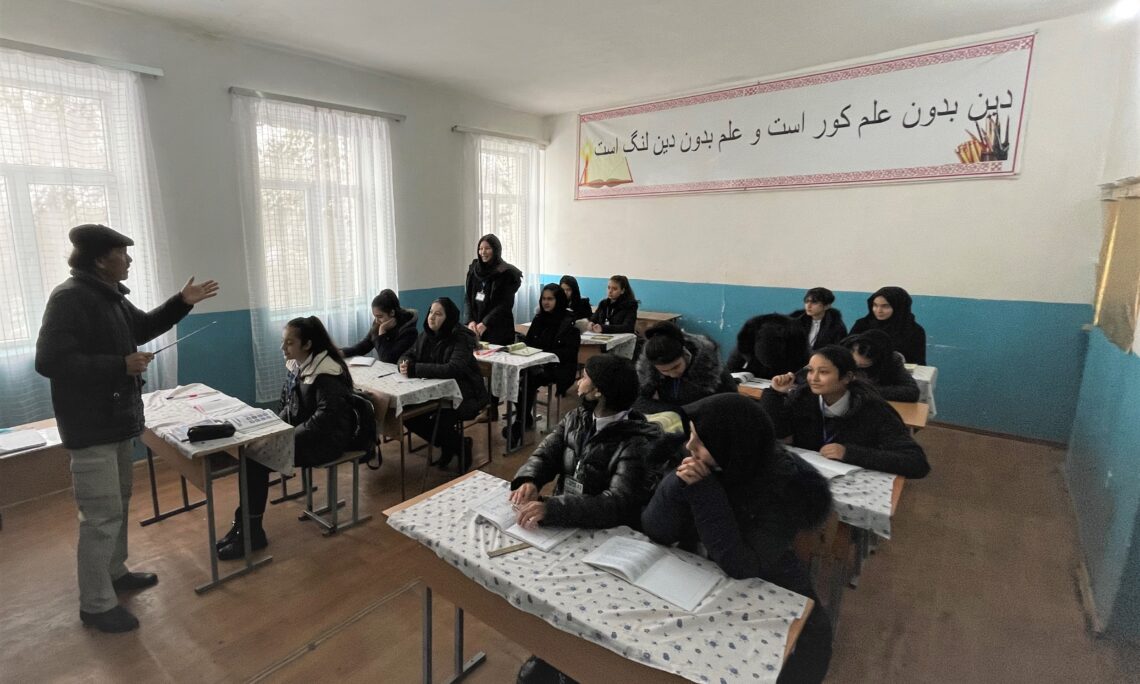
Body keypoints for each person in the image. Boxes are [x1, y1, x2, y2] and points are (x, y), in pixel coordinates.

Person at [35, 223, 219, 633]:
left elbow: (143, 327)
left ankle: (115, 573)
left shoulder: (110, 296)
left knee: (116, 504)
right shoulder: (69, 298)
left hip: (116, 421)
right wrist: (118, 365)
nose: (130, 260)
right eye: (123, 253)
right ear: (101, 259)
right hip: (91, 426)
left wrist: (182, 302)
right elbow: (49, 361)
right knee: (99, 516)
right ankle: (96, 605)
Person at [641, 393, 834, 684]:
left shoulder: (786, 485)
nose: (689, 447)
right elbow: (656, 530)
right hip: (698, 578)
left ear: (732, 446)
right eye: (692, 435)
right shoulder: (708, 463)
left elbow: (742, 565)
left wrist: (705, 493)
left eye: (701, 442)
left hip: (768, 582)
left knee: (810, 636)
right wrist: (677, 483)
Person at [217, 316, 357, 561]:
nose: (283, 348)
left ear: (307, 345)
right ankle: (245, 526)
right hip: (304, 435)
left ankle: (251, 533)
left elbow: (324, 420)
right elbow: (288, 405)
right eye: (284, 342)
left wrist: (286, 437)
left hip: (328, 442)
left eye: (289, 343)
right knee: (250, 450)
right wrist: (271, 427)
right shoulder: (298, 365)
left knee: (255, 459)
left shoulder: (327, 373)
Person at [508, 354, 660, 531]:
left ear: (598, 391)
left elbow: (616, 503)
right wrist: (530, 480)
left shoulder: (637, 442)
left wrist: (554, 509)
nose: (579, 381)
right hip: (567, 517)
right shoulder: (576, 418)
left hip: (603, 531)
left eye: (586, 377)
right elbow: (546, 454)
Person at [761, 345, 930, 478]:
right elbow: (782, 434)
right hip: (809, 475)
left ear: (847, 377)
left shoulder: (873, 409)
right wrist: (775, 394)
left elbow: (916, 463)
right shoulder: (803, 397)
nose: (813, 378)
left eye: (824, 372)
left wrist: (849, 453)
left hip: (852, 479)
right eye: (811, 371)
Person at [400, 297, 489, 469]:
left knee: (441, 419)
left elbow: (453, 369)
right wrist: (403, 364)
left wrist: (415, 369)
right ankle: (453, 445)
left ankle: (460, 447)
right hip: (436, 393)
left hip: (465, 394)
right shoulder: (426, 335)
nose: (432, 317)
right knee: (409, 417)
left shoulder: (461, 338)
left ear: (448, 318)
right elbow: (408, 354)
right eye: (431, 312)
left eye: (438, 314)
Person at [504, 283, 581, 449]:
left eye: (550, 299)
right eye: (544, 299)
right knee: (516, 376)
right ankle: (524, 419)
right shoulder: (539, 318)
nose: (546, 302)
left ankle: (519, 423)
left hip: (556, 367)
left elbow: (569, 352)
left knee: (528, 379)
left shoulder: (568, 322)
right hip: (535, 363)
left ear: (558, 300)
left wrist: (544, 355)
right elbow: (531, 341)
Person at [634, 321, 736, 414]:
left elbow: (733, 402)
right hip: (674, 419)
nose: (673, 374)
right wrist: (675, 411)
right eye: (664, 371)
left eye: (676, 367)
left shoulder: (711, 367)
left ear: (686, 354)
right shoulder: (648, 369)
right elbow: (637, 399)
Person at [463, 233, 522, 345]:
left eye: (487, 248)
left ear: (496, 250)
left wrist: (485, 323)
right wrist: (470, 321)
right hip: (475, 327)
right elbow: (467, 298)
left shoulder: (506, 272)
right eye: (480, 249)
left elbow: (504, 304)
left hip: (498, 329)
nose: (483, 252)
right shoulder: (474, 270)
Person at [849, 286, 927, 365]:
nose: (879, 310)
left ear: (899, 308)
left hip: (898, 373)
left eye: (885, 306)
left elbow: (918, 362)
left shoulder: (914, 331)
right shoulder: (862, 325)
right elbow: (845, 352)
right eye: (875, 305)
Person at [340, 289, 419, 363]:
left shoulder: (409, 331)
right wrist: (342, 353)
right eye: (375, 316)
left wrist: (382, 331)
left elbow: (387, 359)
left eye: (380, 317)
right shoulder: (379, 323)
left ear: (392, 313)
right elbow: (365, 345)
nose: (377, 321)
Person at [841, 330, 921, 402]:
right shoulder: (840, 353)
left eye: (864, 365)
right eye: (854, 362)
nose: (857, 366)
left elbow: (912, 392)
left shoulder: (891, 360)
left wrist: (866, 390)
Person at [726, 313, 809, 378]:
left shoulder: (797, 339)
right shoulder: (747, 340)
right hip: (756, 379)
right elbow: (731, 368)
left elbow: (804, 373)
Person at [789, 287, 847, 351]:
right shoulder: (796, 321)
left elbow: (839, 351)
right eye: (807, 301)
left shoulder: (836, 326)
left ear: (827, 306)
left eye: (814, 302)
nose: (808, 306)